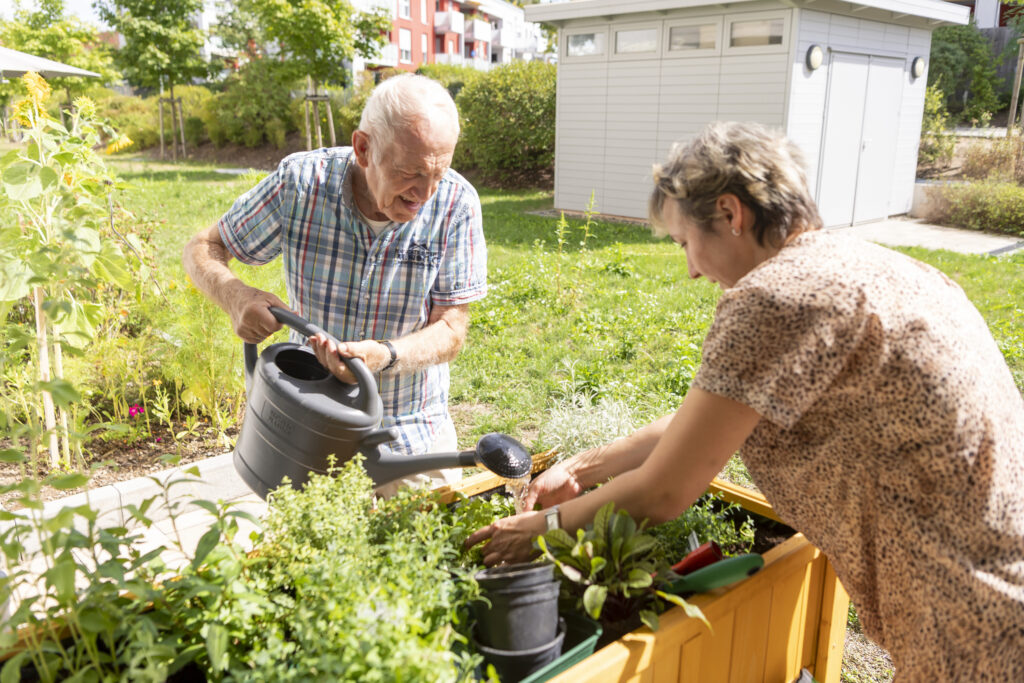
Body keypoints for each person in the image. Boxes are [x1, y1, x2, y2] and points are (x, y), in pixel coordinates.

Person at [466, 121, 1024, 679]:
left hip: (971, 615)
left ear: (732, 215)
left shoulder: (775, 297)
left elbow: (664, 491)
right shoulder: (870, 267)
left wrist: (541, 530)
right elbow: (720, 416)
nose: (689, 268)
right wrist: (584, 468)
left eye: (687, 242)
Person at [183, 74, 487, 495]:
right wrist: (235, 295)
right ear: (363, 148)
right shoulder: (302, 184)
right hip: (308, 434)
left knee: (421, 558)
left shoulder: (456, 203)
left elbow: (452, 330)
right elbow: (204, 246)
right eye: (410, 172)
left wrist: (384, 356)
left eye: (439, 172)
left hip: (411, 436)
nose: (425, 193)